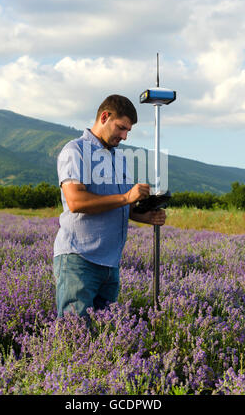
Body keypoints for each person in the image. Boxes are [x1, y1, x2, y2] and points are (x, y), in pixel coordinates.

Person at [53, 94, 166, 320]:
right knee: (76, 334)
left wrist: (148, 215)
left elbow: (122, 205)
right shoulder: (75, 151)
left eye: (128, 131)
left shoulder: (119, 158)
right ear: (105, 117)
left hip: (110, 264)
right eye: (121, 128)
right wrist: (126, 197)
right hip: (80, 260)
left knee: (104, 337)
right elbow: (76, 202)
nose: (124, 136)